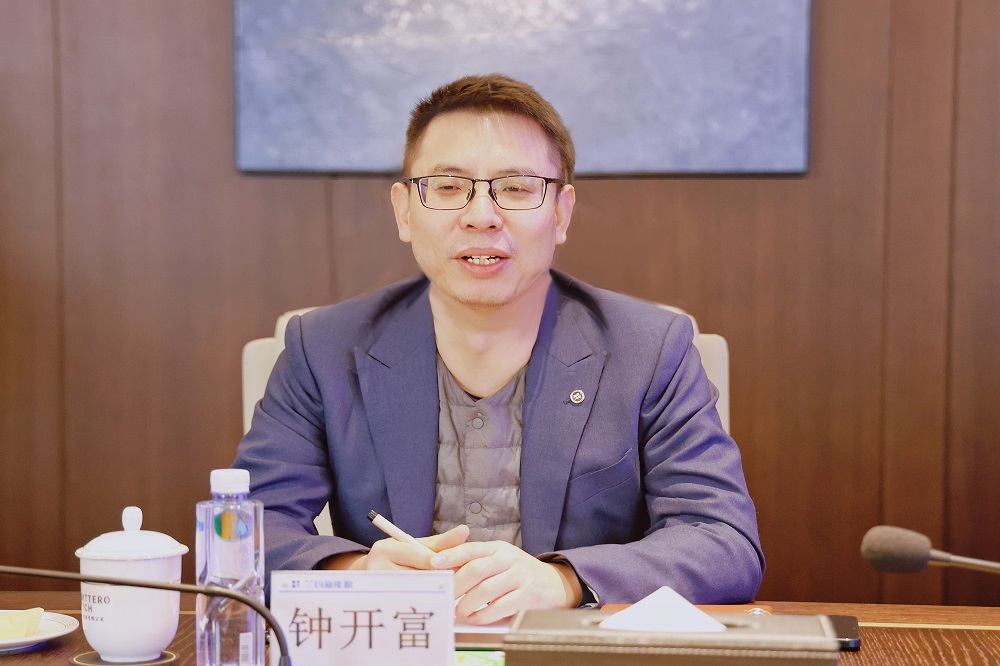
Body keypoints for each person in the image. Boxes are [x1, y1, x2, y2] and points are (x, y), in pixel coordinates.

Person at [233, 73, 764, 624]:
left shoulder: (650, 349)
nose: (481, 215)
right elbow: (243, 531)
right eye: (447, 187)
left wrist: (563, 581)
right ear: (404, 210)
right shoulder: (324, 347)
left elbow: (723, 542)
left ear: (560, 212)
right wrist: (358, 573)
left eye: (516, 187)